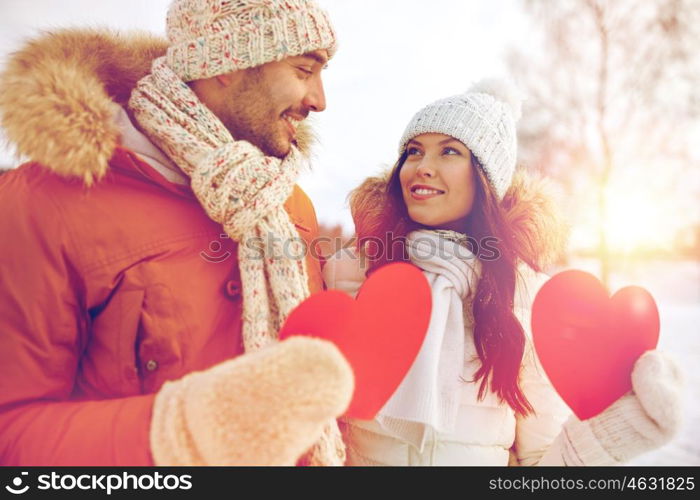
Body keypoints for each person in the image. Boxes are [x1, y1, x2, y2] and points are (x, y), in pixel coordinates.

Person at [0, 0, 354, 466]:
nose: (319, 101)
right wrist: (186, 430)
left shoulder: (289, 206)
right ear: (227, 64)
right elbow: (12, 433)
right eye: (303, 70)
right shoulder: (44, 204)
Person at [323, 80, 684, 466]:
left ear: (486, 178)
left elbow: (540, 462)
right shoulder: (353, 271)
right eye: (413, 151)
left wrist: (613, 435)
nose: (423, 168)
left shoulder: (524, 295)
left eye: (449, 151)